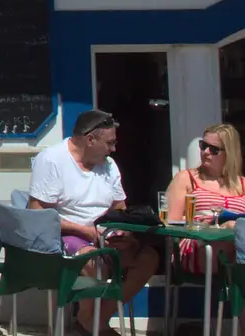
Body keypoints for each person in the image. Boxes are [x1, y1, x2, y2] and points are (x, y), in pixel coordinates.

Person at [28, 109, 159, 335]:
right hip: (66, 233)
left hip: (105, 233)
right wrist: (83, 230)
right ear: (90, 139)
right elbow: (36, 211)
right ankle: (94, 324)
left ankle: (92, 319)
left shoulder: (108, 165)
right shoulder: (52, 159)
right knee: (92, 262)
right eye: (110, 143)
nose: (113, 149)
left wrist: (122, 231)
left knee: (147, 258)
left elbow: (119, 206)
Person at [164, 122, 245, 273]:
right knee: (234, 229)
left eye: (214, 149)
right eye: (203, 146)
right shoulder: (186, 178)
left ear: (229, 153)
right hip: (197, 246)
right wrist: (211, 225)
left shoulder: (243, 184)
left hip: (236, 247)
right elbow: (170, 222)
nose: (205, 152)